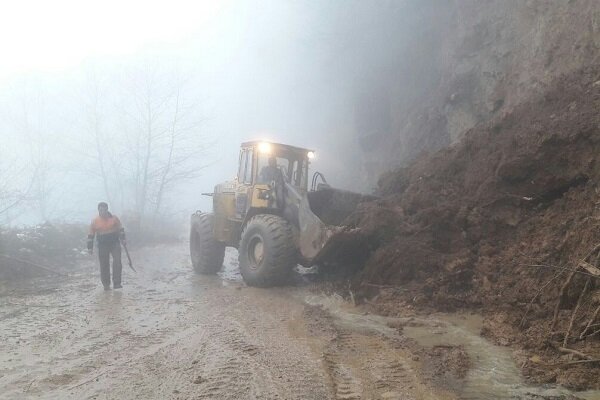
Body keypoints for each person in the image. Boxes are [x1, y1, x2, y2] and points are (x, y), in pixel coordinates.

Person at [87, 202, 126, 290]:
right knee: (104, 264)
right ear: (98, 211)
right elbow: (90, 235)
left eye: (104, 210)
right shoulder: (95, 221)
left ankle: (117, 283)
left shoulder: (114, 218)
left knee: (117, 262)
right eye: (101, 210)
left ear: (107, 209)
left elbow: (120, 229)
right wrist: (90, 248)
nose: (103, 212)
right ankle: (106, 284)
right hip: (102, 245)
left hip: (114, 243)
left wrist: (123, 239)